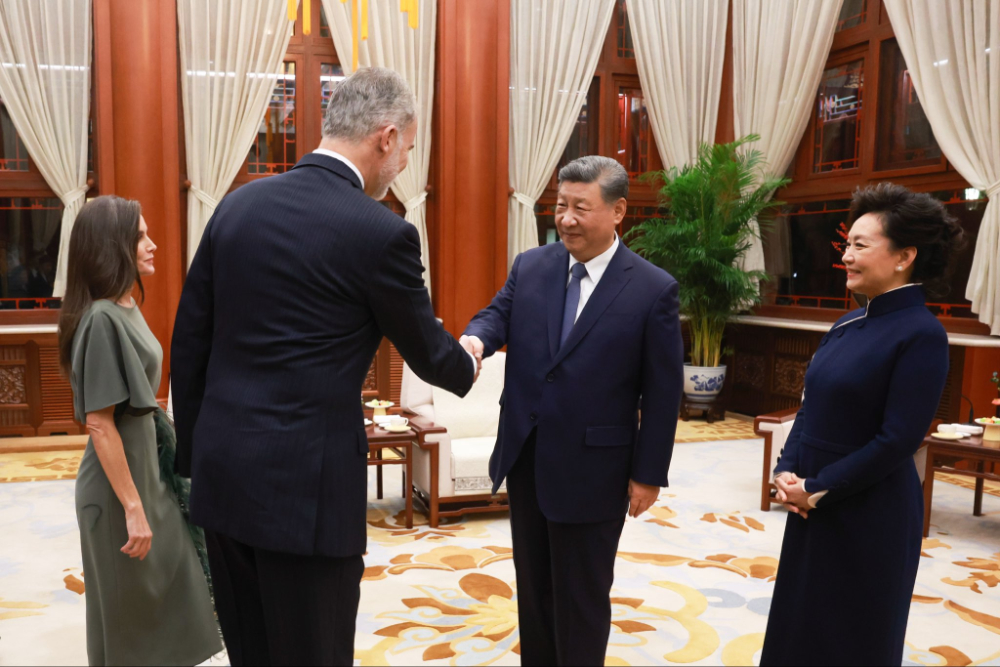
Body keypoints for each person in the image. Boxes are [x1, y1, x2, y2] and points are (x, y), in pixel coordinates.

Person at [170, 67, 477, 666]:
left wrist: (196, 457)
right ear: (386, 137)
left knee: (251, 648)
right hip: (305, 494)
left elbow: (191, 341)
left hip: (224, 475)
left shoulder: (237, 206)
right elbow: (429, 353)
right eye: (409, 149)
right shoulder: (381, 233)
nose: (406, 166)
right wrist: (470, 357)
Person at [462, 156, 684, 666]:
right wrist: (475, 340)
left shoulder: (652, 289)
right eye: (560, 206)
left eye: (581, 207)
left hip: (594, 469)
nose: (566, 219)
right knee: (533, 590)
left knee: (581, 597)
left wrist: (648, 475)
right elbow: (497, 315)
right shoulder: (532, 265)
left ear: (618, 210)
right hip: (527, 456)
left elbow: (664, 390)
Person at [761, 183, 965, 666]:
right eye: (846, 245)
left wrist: (817, 487)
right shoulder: (847, 324)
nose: (847, 257)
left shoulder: (923, 334)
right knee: (800, 627)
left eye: (860, 245)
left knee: (852, 637)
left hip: (871, 512)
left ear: (904, 256)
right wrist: (785, 472)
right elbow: (809, 406)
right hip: (813, 504)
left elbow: (899, 439)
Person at [58, 196, 220, 666]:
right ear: (114, 247)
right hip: (118, 492)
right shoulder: (102, 319)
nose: (152, 244)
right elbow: (100, 424)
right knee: (133, 624)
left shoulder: (125, 303)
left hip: (148, 475)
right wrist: (133, 507)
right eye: (140, 236)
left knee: (176, 596)